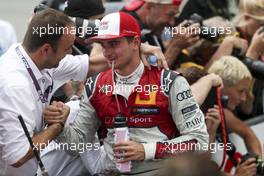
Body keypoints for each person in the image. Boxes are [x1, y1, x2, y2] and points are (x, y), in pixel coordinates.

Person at [0, 8, 166, 176]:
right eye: (68, 48)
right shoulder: (15, 85)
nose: (71, 53)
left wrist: (134, 48)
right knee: (73, 111)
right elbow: (18, 156)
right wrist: (58, 125)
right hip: (15, 166)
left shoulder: (31, 56)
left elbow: (92, 65)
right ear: (46, 50)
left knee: (74, 111)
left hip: (29, 165)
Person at [44, 11, 209, 175]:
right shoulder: (95, 84)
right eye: (103, 45)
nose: (107, 52)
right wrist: (59, 125)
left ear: (136, 43)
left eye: (114, 43)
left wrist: (146, 150)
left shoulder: (170, 82)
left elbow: (200, 141)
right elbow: (77, 145)